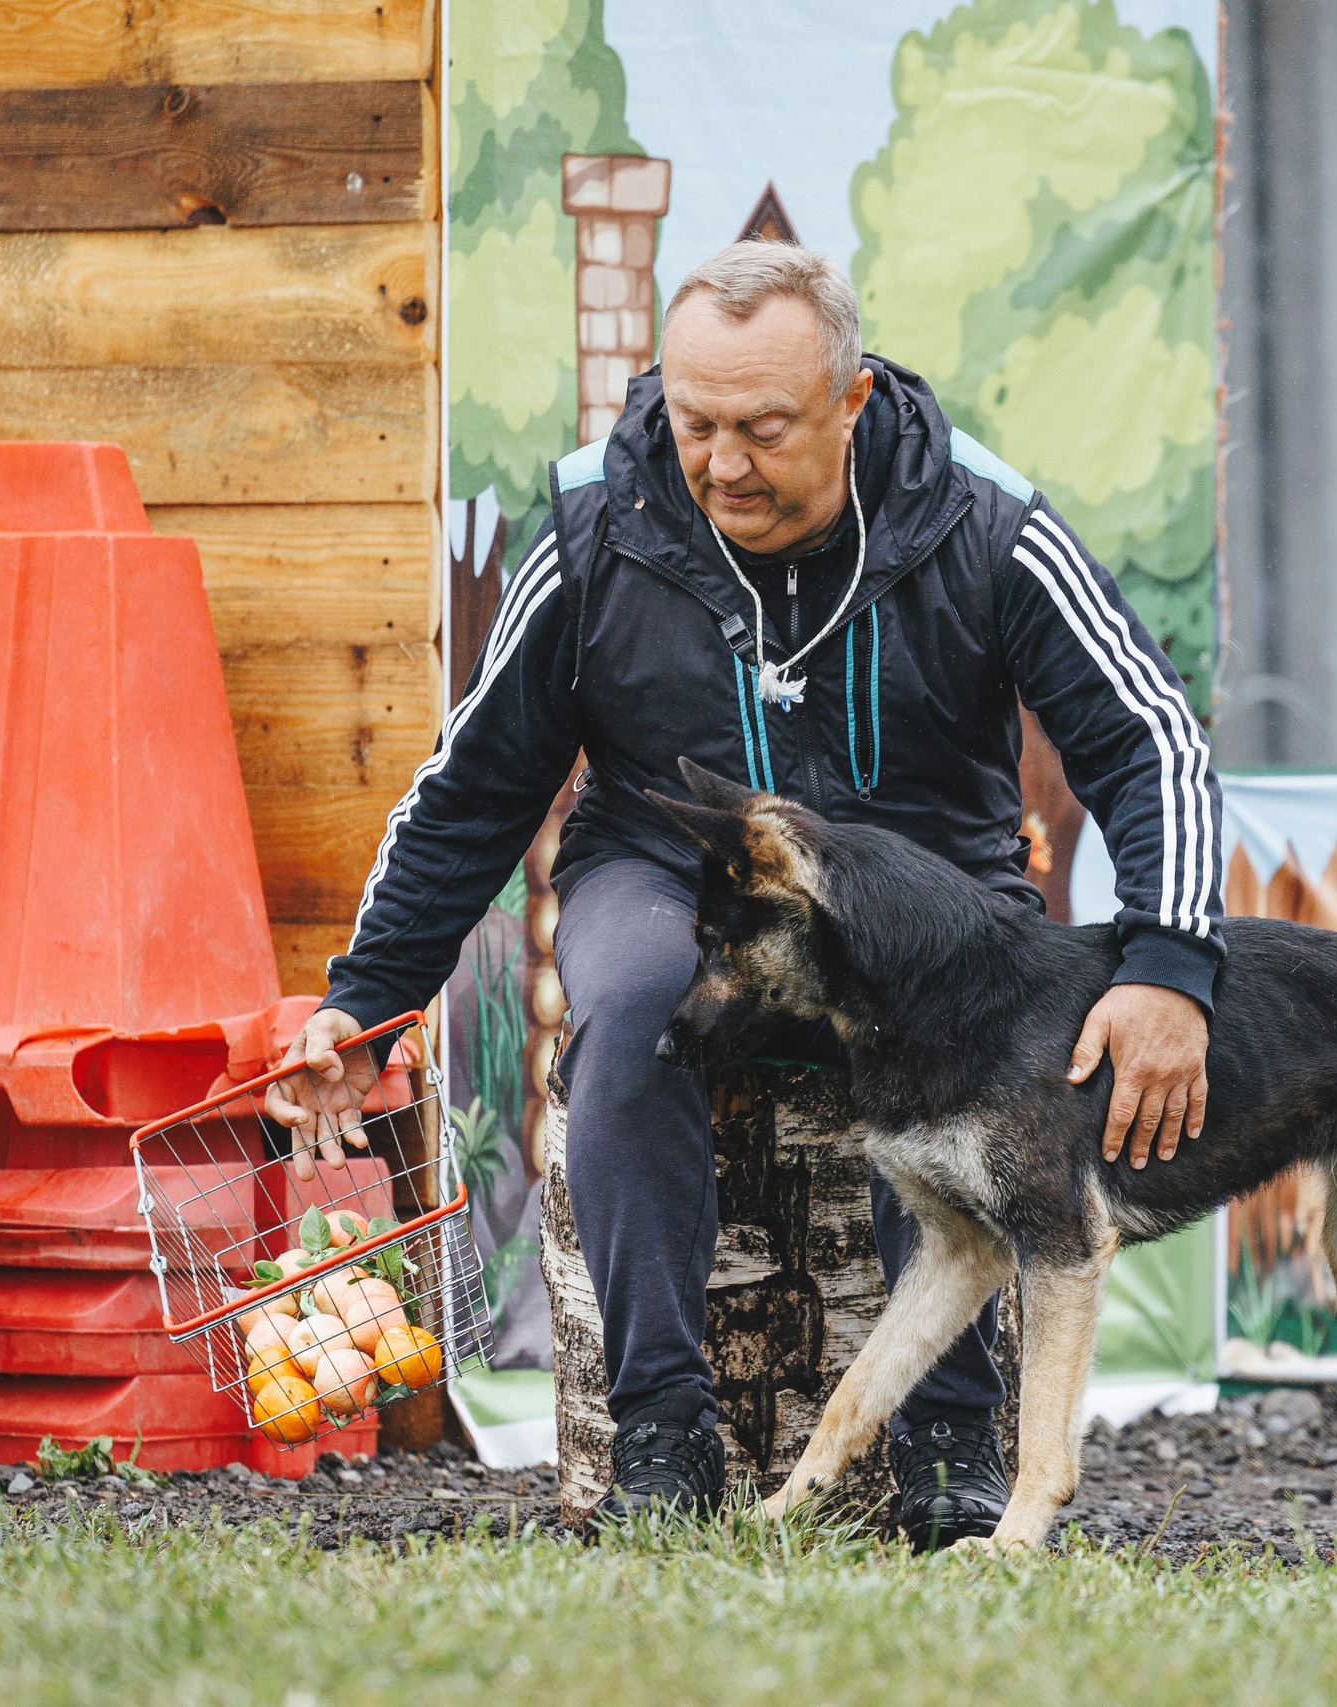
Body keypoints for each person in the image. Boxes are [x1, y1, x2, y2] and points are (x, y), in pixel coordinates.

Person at [264, 242, 1224, 1547]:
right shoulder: (596, 520)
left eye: (764, 429)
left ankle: (949, 1433)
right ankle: (662, 1427)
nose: (722, 463)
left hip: (927, 887)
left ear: (852, 404)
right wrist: (366, 999)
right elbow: (477, 780)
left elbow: (1147, 736)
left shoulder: (984, 519)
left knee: (938, 1010)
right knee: (629, 999)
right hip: (674, 874)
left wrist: (1170, 963)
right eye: (695, 421)